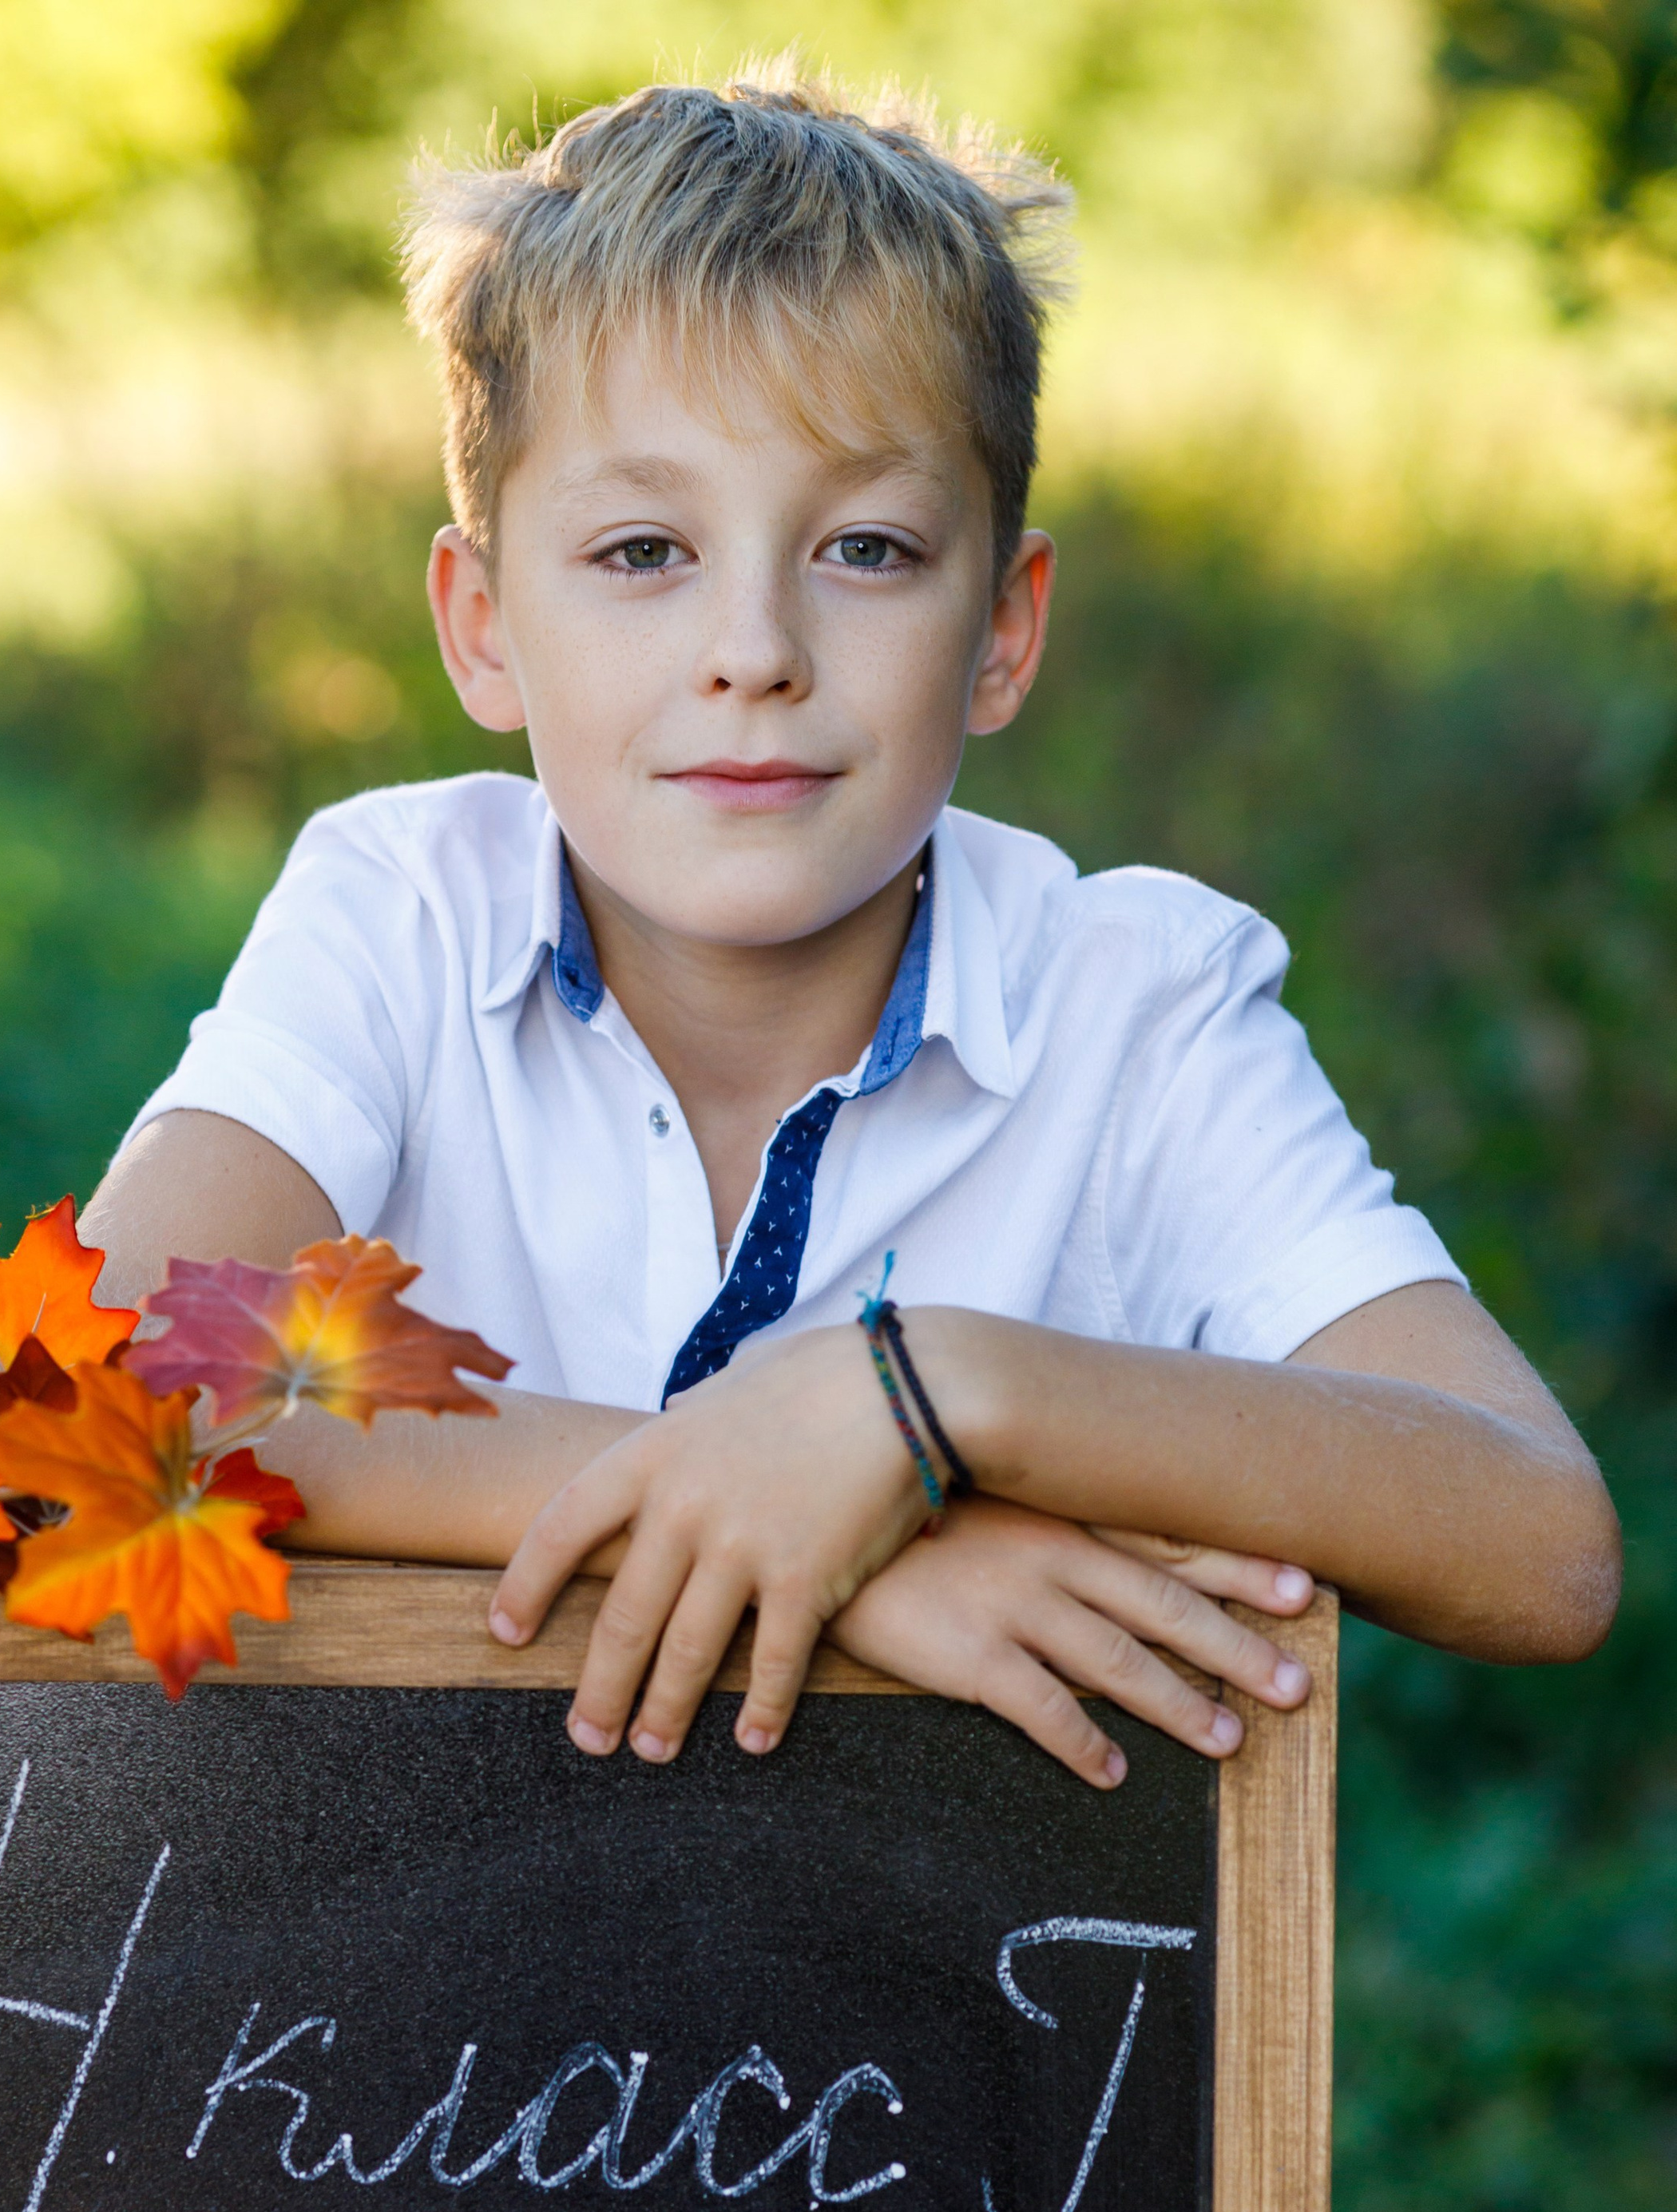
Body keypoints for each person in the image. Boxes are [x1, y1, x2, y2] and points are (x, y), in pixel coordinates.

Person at [81, 66, 1620, 1786]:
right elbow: (132, 1383)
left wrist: (928, 1396)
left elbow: (1537, 1541)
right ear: (481, 623)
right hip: (378, 2020)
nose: (754, 647)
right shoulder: (400, 914)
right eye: (645, 548)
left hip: (960, 2032)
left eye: (869, 549)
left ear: (1003, 631)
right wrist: (840, 1537)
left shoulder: (1138, 1007)